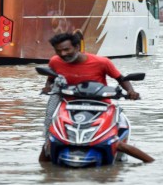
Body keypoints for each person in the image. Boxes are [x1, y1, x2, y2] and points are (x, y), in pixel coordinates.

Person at [41, 32, 153, 163]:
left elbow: (120, 79)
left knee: (113, 140)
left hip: (101, 105)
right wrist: (47, 87)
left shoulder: (101, 62)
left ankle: (151, 163)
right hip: (69, 105)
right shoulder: (55, 61)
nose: (63, 54)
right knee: (50, 139)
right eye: (59, 51)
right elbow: (50, 79)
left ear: (77, 47)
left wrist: (131, 91)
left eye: (67, 49)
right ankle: (45, 167)